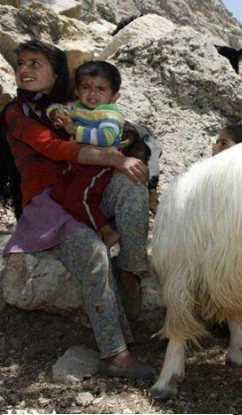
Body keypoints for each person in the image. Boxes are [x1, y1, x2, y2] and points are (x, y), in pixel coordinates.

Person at [1, 39, 153, 378]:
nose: (24, 70)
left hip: (87, 189)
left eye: (34, 63)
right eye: (20, 64)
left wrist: (128, 154)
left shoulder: (72, 105)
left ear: (55, 73)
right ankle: (115, 354)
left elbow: (123, 132)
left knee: (132, 184)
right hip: (48, 205)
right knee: (93, 254)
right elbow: (54, 148)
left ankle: (130, 269)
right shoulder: (16, 114)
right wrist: (113, 157)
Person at [47, 60, 124, 247]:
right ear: (77, 91)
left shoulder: (109, 114)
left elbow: (106, 137)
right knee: (57, 193)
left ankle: (106, 231)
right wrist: (56, 113)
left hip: (99, 164)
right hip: (78, 162)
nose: (92, 94)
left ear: (114, 96)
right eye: (86, 87)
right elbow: (60, 109)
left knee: (79, 199)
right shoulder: (79, 107)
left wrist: (75, 130)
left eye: (100, 89)